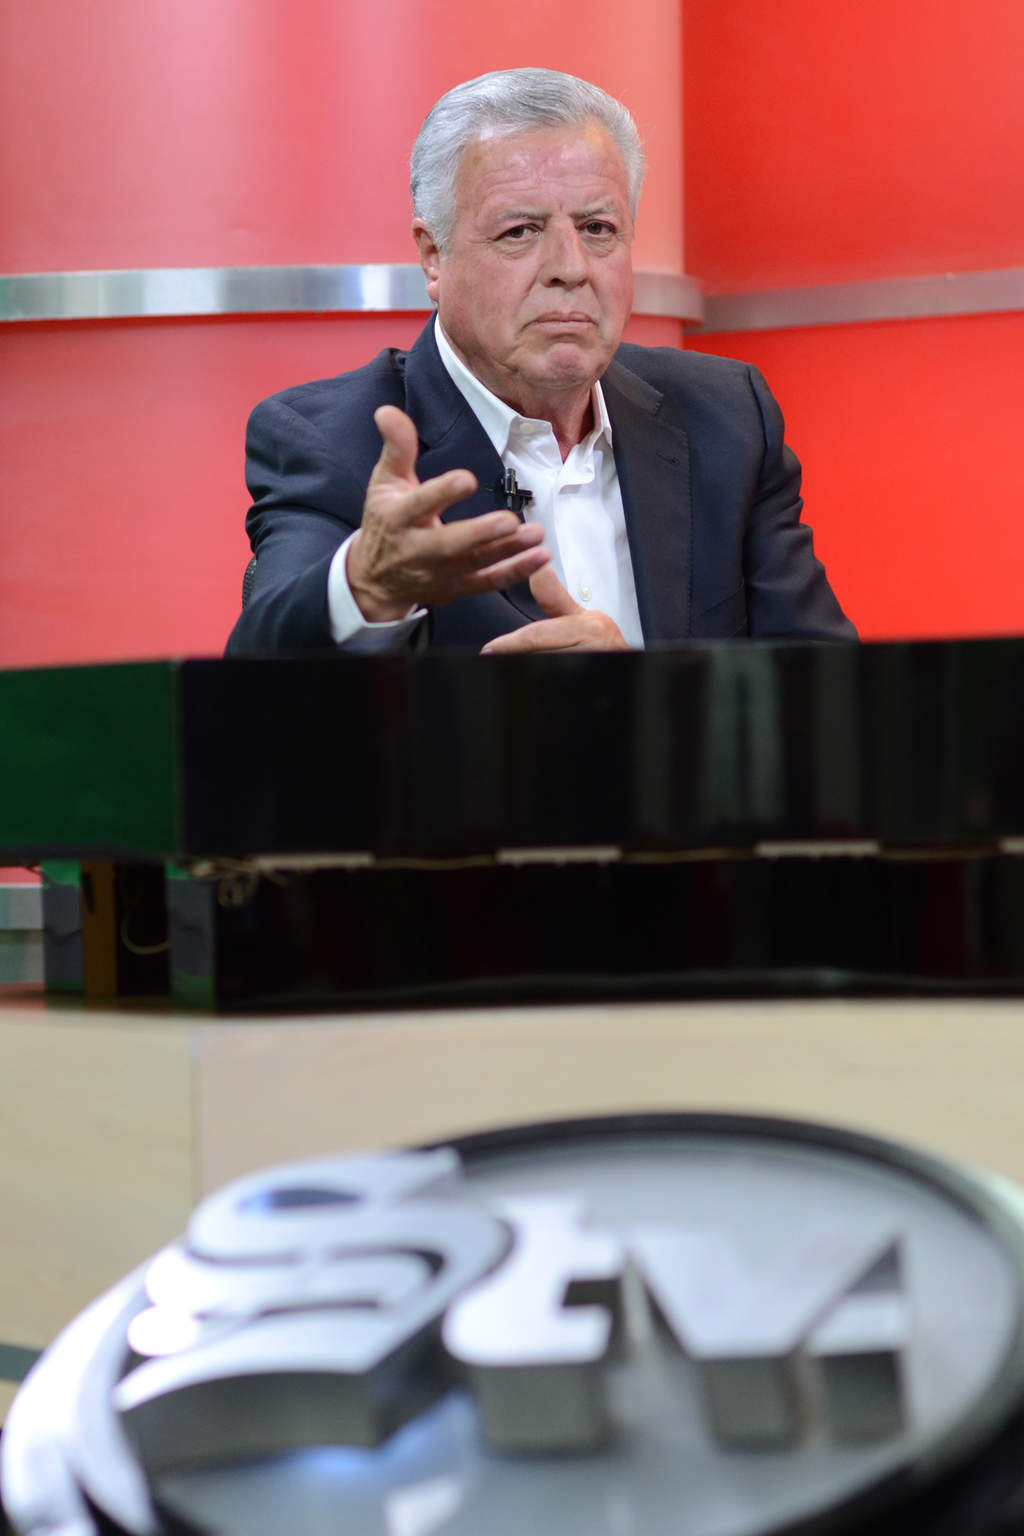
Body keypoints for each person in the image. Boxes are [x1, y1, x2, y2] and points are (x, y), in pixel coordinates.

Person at [226, 68, 855, 657]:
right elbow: (255, 680)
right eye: (519, 231)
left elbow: (827, 696)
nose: (570, 268)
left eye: (598, 228)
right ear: (433, 256)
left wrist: (646, 701)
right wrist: (365, 588)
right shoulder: (334, 439)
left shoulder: (725, 418)